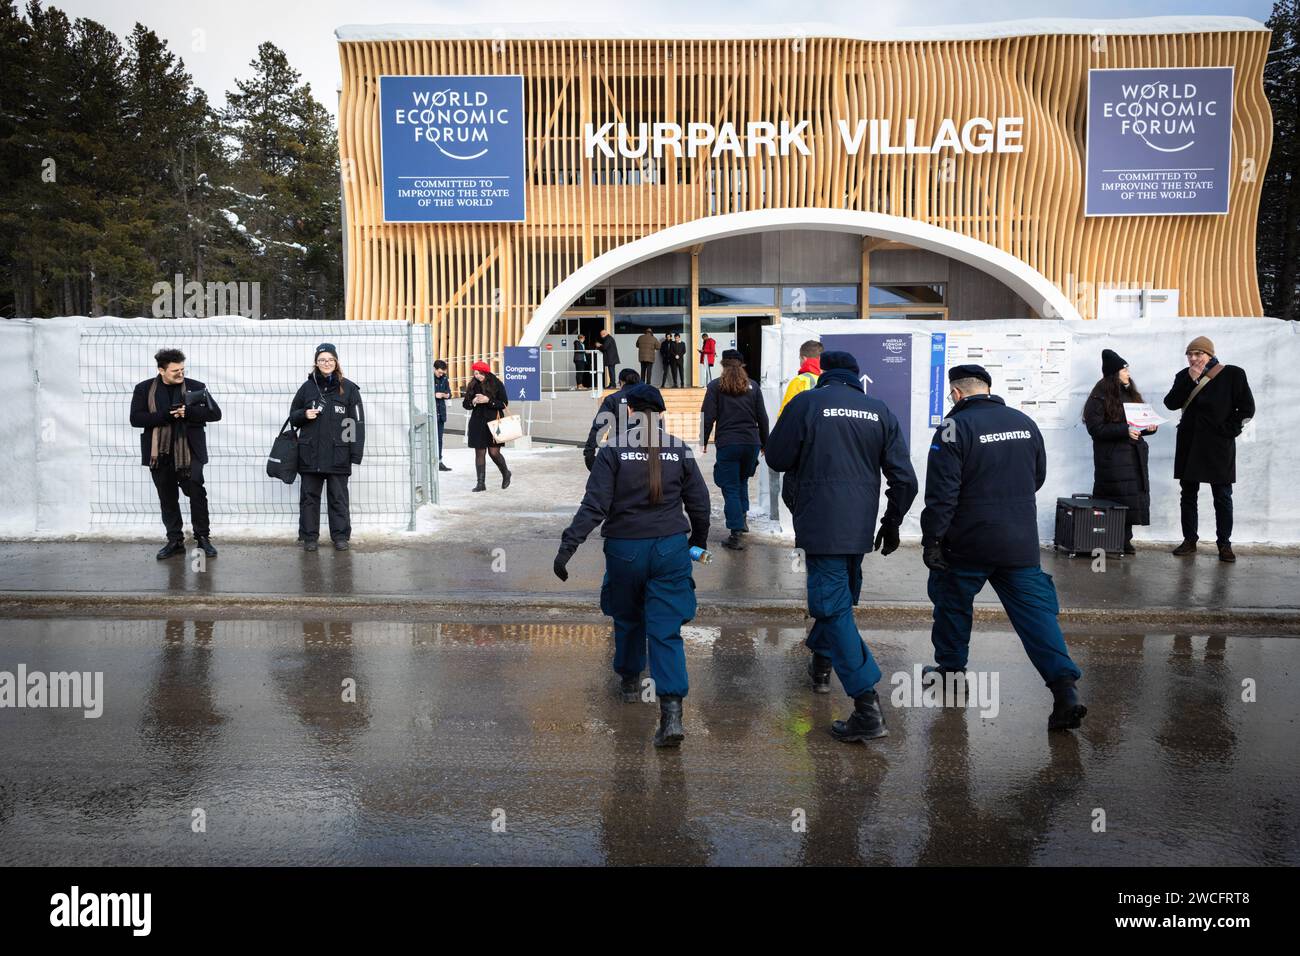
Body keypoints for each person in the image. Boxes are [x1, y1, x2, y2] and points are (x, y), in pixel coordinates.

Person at [920, 364, 1086, 732]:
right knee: (1037, 615)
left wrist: (932, 539)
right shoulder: (1024, 421)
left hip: (968, 542)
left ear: (957, 394)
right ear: (988, 388)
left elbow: (942, 493)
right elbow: (1037, 476)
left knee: (952, 605)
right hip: (1019, 542)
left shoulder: (952, 427)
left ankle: (950, 674)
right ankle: (1065, 690)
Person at [765, 350, 917, 743]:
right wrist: (892, 522)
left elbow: (778, 458)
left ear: (824, 374)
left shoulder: (807, 402)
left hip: (820, 522)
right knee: (839, 600)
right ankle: (820, 661)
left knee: (832, 607)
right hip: (859, 526)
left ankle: (867, 706)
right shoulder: (878, 409)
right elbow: (905, 478)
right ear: (856, 376)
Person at [553, 383, 711, 748]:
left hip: (625, 550)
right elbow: (699, 504)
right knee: (666, 628)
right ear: (661, 413)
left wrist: (568, 548)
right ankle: (671, 712)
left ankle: (628, 682)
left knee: (628, 619)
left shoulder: (613, 450)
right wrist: (696, 544)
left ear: (630, 412)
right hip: (671, 549)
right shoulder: (679, 449)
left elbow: (594, 506)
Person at [1163, 336, 1255, 562]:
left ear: (1210, 354)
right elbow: (1170, 403)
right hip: (1189, 443)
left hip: (1218, 446)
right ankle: (1189, 540)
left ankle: (1224, 544)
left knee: (1222, 496)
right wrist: (1190, 381)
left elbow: (1246, 409)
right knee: (1188, 494)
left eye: (1198, 354)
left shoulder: (1233, 374)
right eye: (1190, 354)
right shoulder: (1183, 376)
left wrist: (1228, 431)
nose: (1193, 358)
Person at [130, 348, 223, 560]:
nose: (180, 374)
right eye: (175, 371)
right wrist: (166, 415)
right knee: (167, 497)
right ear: (161, 370)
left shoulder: (196, 387)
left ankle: (203, 538)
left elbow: (215, 414)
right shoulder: (144, 389)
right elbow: (136, 419)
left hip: (190, 451)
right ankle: (175, 541)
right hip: (160, 453)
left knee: (197, 493)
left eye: (182, 369)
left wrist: (187, 412)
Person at [289, 343, 366, 552]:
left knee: (338, 498)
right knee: (309, 499)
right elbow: (292, 416)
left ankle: (340, 536)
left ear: (336, 362)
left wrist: (353, 452)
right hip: (309, 454)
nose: (326, 363)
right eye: (322, 360)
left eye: (330, 359)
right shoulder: (307, 388)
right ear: (316, 362)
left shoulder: (349, 389)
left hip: (337, 455)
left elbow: (353, 423)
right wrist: (304, 415)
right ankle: (309, 538)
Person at [1083, 349, 1155, 554]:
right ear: (1115, 372)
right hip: (1112, 457)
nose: (1128, 374)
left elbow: (1137, 425)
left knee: (1130, 498)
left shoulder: (1130, 394)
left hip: (1133, 456)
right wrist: (1125, 430)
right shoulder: (1099, 396)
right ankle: (1109, 539)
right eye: (1125, 369)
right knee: (1115, 497)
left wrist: (1149, 427)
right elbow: (1095, 429)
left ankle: (1125, 540)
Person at [699, 349, 769, 551]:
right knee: (741, 482)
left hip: (728, 442)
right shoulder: (753, 386)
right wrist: (765, 443)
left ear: (723, 365)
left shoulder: (716, 386)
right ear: (741, 364)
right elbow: (762, 417)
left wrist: (702, 440)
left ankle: (736, 532)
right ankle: (742, 519)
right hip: (751, 443)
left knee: (730, 486)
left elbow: (708, 415)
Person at [463, 360, 512, 492]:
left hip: (494, 421)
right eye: (475, 373)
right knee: (479, 452)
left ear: (485, 372)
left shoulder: (497, 384)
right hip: (477, 422)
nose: (477, 376)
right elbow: (465, 404)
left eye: (479, 373)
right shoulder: (473, 385)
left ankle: (506, 473)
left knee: (494, 452)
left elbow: (504, 403)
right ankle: (480, 483)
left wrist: (488, 400)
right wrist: (472, 402)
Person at [583, 368, 640, 471]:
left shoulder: (613, 398)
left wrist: (589, 451)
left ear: (621, 382)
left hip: (617, 450)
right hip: (643, 450)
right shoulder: (649, 397)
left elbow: (599, 425)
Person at [779, 339, 823, 417]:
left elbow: (785, 412)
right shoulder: (826, 381)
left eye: (799, 359)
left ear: (804, 358)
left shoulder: (799, 381)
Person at [433, 359, 453, 472]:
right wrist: (434, 394)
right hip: (432, 413)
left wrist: (447, 395)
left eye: (443, 373)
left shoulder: (444, 378)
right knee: (431, 438)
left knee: (439, 439)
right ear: (434, 369)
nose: (441, 374)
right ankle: (431, 462)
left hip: (441, 413)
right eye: (439, 372)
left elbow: (449, 392)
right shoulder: (428, 378)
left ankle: (439, 461)